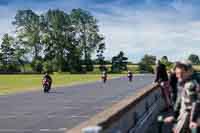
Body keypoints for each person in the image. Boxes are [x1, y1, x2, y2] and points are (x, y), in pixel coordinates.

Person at [164, 62, 200, 133]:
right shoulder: (183, 83)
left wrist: (193, 120)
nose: (178, 76)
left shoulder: (190, 85)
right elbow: (179, 100)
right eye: (177, 73)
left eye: (181, 73)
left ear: (189, 72)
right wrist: (174, 115)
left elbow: (195, 102)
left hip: (188, 117)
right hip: (184, 116)